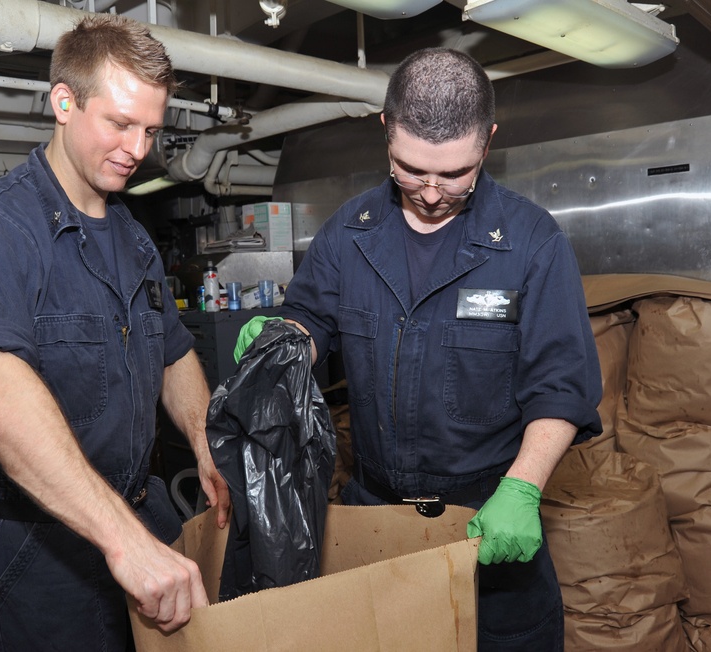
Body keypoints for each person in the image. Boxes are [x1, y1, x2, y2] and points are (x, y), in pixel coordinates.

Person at [236, 47, 602, 650]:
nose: (431, 192)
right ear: (385, 128)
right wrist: (286, 340)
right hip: (376, 518)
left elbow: (562, 383)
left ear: (487, 141)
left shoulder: (532, 243)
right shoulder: (348, 234)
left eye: (455, 174)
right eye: (410, 169)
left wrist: (524, 487)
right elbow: (311, 318)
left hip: (487, 519)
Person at [0, 14, 229, 651]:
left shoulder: (134, 239)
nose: (137, 148)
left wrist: (204, 441)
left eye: (150, 129)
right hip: (38, 552)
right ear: (63, 101)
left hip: (142, 514)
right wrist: (125, 543)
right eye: (119, 123)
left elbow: (172, 354)